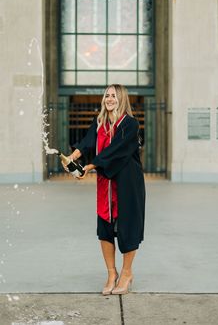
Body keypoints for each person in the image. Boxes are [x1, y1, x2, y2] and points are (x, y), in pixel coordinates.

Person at [64, 84, 145, 295]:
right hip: (106, 184)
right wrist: (73, 158)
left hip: (127, 184)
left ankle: (126, 273)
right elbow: (88, 142)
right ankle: (111, 273)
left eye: (114, 96)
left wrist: (90, 166)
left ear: (122, 99)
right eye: (107, 95)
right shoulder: (100, 122)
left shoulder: (130, 124)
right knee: (105, 229)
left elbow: (117, 150)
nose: (109, 99)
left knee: (128, 228)